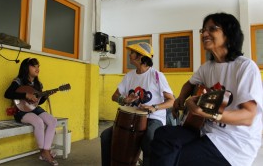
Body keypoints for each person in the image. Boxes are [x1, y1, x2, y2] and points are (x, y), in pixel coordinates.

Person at [150, 12, 263, 166]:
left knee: (175, 157)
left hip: (234, 144)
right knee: (162, 134)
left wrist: (206, 113)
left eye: (212, 29)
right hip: (205, 131)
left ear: (229, 34)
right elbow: (189, 84)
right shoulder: (207, 67)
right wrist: (180, 99)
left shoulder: (244, 67)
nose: (204, 33)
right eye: (203, 30)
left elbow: (248, 116)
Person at [100, 42, 175, 166]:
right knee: (106, 136)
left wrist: (154, 107)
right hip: (131, 118)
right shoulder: (129, 76)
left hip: (153, 118)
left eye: (132, 53)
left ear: (141, 57)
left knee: (149, 138)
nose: (130, 55)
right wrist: (124, 100)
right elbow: (114, 96)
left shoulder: (157, 76)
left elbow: (171, 100)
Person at [4, 58, 58, 166]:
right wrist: (25, 95)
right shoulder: (18, 81)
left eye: (38, 66)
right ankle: (45, 153)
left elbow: (38, 102)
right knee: (39, 122)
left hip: (35, 109)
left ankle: (45, 150)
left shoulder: (38, 84)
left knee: (52, 121)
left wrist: (45, 96)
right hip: (21, 111)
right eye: (34, 66)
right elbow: (7, 94)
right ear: (26, 67)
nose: (37, 69)